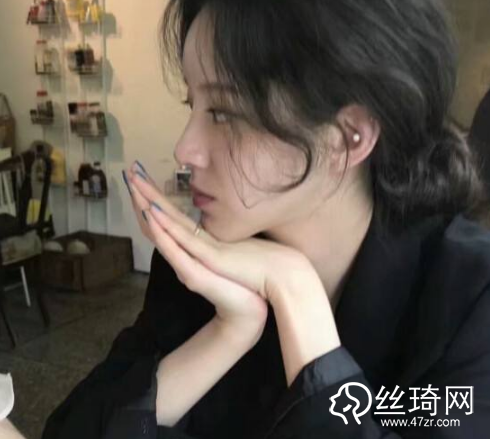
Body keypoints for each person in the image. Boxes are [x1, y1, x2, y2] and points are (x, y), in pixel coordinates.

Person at [42, 0, 490, 438]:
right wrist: (226, 334)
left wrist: (296, 296)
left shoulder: (469, 301)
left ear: (348, 136)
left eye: (223, 112)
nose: (184, 149)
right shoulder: (202, 269)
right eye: (192, 104)